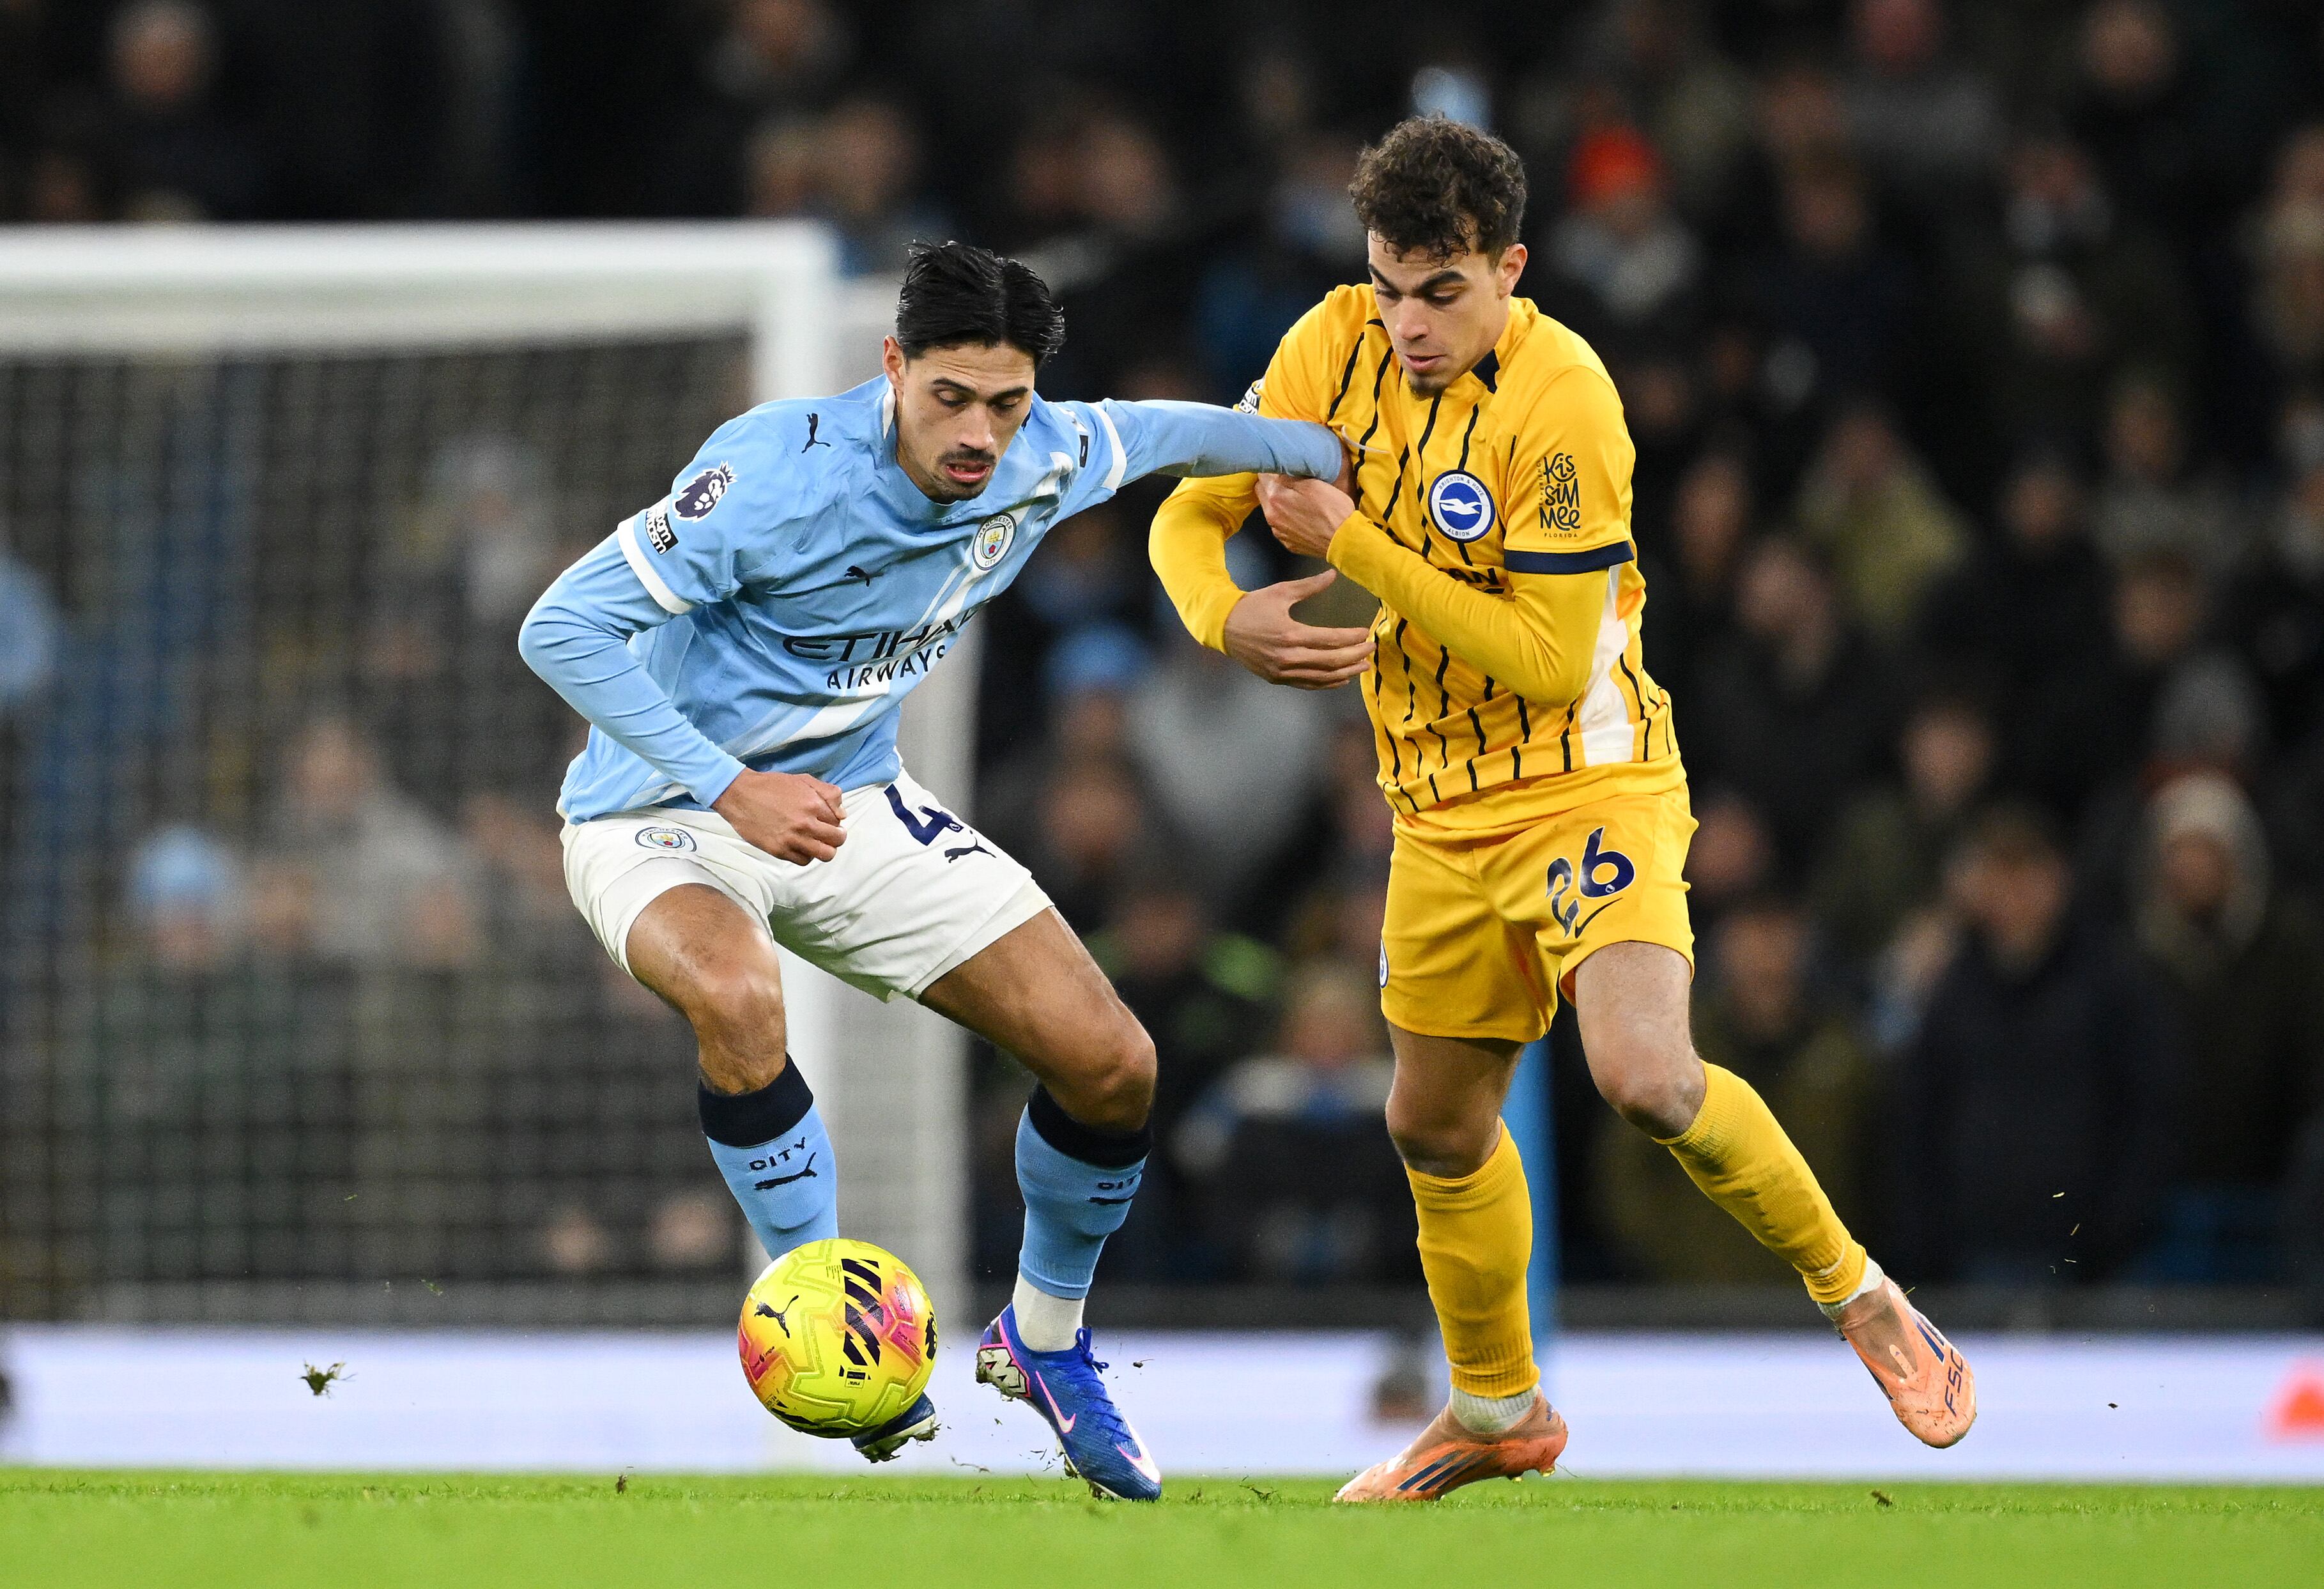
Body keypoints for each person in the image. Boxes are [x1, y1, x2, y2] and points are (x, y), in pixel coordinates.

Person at [1150, 116, 1974, 1503]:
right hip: (1431, 808)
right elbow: (1193, 508)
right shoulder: (1327, 345)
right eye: (1388, 285)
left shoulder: (1566, 399)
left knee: (1644, 1076)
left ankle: (1863, 1295)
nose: (1407, 323)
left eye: (1443, 291)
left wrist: (1347, 543)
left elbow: (1542, 656)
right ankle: (1495, 1407)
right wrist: (1224, 618)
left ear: (1511, 268)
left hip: (1586, 779)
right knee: (1430, 1124)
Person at [518, 240, 1348, 1499]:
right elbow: (560, 626)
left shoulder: (1043, 454)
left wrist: (1321, 454)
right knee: (740, 997)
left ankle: (1045, 1341)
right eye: (948, 396)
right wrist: (732, 784)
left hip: (854, 808)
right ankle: (833, 1325)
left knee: (1113, 1058)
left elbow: (1165, 433)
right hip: (661, 810)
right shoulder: (769, 474)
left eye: (1004, 402)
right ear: (894, 366)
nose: (976, 432)